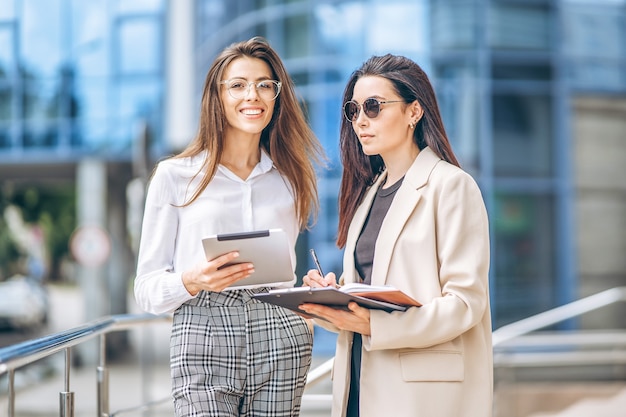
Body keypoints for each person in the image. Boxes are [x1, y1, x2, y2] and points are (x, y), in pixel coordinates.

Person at [134, 37, 324, 417]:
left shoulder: (289, 180)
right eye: (237, 85)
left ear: (277, 96)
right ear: (217, 97)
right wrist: (192, 279)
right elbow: (146, 289)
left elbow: (285, 274)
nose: (252, 95)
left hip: (280, 329)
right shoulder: (175, 177)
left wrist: (307, 294)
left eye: (264, 85)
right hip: (203, 326)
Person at [300, 54, 493, 417]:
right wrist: (332, 297)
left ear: (414, 112)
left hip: (420, 395)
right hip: (360, 383)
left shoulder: (451, 186)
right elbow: (372, 293)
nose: (360, 121)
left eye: (373, 107)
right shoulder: (369, 193)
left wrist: (376, 325)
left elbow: (466, 304)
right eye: (353, 110)